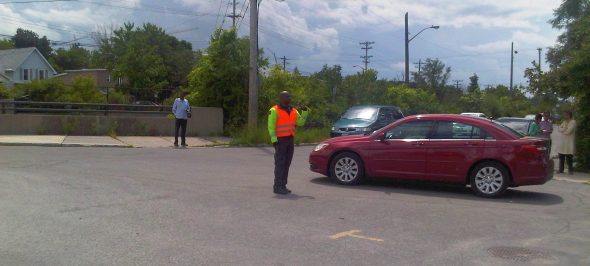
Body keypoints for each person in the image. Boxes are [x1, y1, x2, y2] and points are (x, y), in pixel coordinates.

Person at [267, 91, 310, 195]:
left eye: (289, 96)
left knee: (287, 164)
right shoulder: (274, 110)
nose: (289, 97)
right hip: (280, 141)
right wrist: (274, 141)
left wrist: (304, 110)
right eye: (287, 96)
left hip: (290, 140)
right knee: (280, 164)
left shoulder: (293, 110)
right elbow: (271, 127)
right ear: (281, 98)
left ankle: (283, 185)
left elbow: (301, 122)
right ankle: (277, 186)